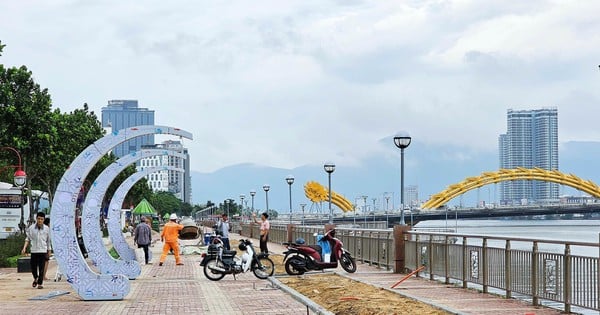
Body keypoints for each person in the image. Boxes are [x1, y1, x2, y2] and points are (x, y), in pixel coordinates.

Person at [21, 212, 51, 289]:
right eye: (38, 219)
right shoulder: (31, 228)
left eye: (41, 219)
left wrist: (49, 251)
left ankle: (40, 283)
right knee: (33, 267)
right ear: (36, 219)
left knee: (41, 268)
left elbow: (48, 241)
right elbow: (27, 238)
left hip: (42, 250)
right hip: (34, 250)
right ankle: (36, 278)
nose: (40, 220)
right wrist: (24, 248)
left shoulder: (47, 229)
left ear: (44, 220)